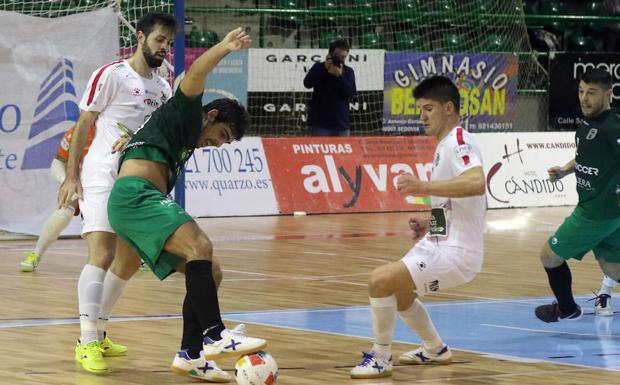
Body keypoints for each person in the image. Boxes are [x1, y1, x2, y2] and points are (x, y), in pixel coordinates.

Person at [107, 27, 266, 382]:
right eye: (222, 135)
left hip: (142, 201)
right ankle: (215, 334)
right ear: (210, 116)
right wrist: (225, 46)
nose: (217, 144)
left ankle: (190, 355)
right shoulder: (188, 111)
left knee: (211, 270)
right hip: (135, 196)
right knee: (200, 244)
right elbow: (195, 74)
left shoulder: (183, 138)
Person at [57, 12, 177, 373]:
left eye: (169, 43)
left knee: (128, 260)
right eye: (159, 40)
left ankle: (100, 329)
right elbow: (83, 124)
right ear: (140, 37)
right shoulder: (112, 74)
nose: (164, 48)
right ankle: (87, 338)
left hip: (134, 181)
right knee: (103, 253)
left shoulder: (164, 86)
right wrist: (71, 176)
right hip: (101, 175)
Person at [350, 76, 486, 379]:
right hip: (440, 243)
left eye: (428, 109)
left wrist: (422, 185)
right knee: (398, 293)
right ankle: (435, 348)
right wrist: (431, 222)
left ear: (448, 108)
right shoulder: (444, 145)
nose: (422, 117)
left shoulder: (459, 142)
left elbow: (477, 183)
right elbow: (454, 201)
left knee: (380, 280)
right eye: (420, 110)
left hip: (458, 253)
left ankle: (381, 356)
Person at [535, 68, 620, 323]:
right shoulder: (586, 124)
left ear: (608, 94)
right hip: (608, 214)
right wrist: (565, 170)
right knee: (613, 269)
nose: (584, 98)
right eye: (582, 91)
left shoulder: (612, 127)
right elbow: (585, 158)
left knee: (549, 255)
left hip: (596, 212)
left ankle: (567, 308)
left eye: (591, 93)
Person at [20, 125, 95, 272]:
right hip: (79, 180)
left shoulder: (116, 129)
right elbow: (57, 163)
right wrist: (67, 182)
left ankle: (139, 257)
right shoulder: (75, 132)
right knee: (65, 208)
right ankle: (36, 253)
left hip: (106, 181)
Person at [303, 38, 356, 136]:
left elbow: (351, 93)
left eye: (343, 57)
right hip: (319, 124)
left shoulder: (348, 71)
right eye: (337, 56)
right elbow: (307, 83)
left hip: (341, 124)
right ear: (330, 54)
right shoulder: (319, 67)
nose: (340, 59)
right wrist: (324, 68)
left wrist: (339, 76)